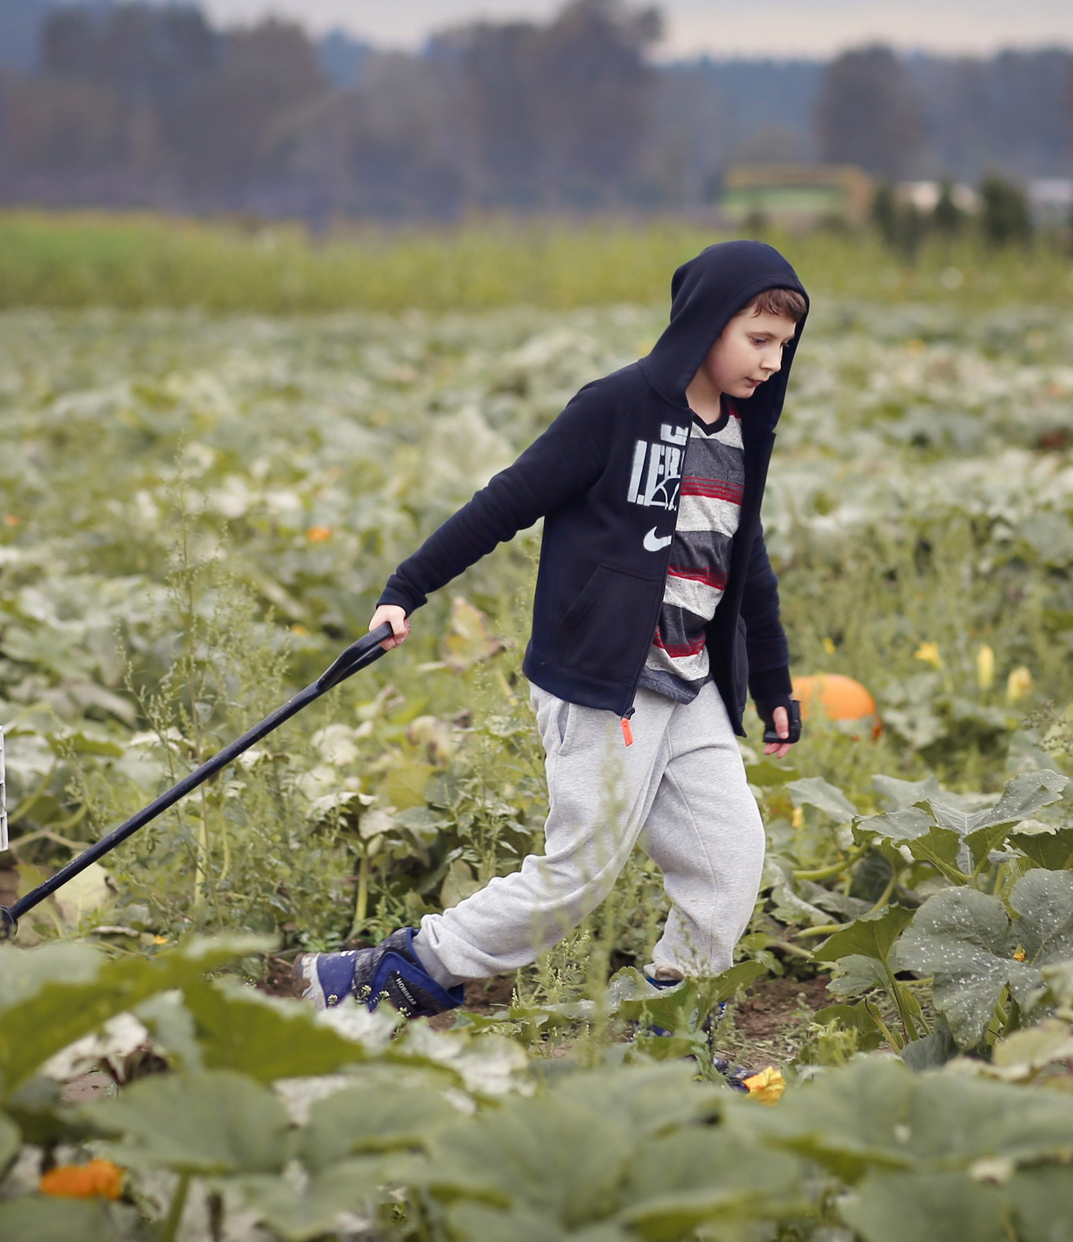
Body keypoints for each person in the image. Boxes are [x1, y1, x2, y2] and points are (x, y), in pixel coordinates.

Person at [302, 240, 806, 1020]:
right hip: (606, 678)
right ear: (705, 323)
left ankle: (669, 1027)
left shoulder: (740, 434)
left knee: (731, 857)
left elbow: (749, 571)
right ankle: (397, 969)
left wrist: (772, 682)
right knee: (580, 873)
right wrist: (407, 588)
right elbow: (506, 501)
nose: (773, 361)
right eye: (758, 338)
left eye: (784, 345)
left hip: (691, 679)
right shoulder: (616, 407)